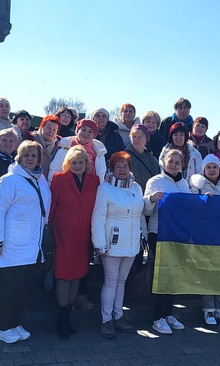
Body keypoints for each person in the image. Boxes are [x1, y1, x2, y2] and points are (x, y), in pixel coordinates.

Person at [0, 141, 52, 344]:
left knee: (23, 289)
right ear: (19, 157)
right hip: (11, 246)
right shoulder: (10, 180)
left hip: (33, 246)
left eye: (34, 155)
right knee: (8, 289)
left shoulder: (40, 179)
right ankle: (4, 327)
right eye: (26, 155)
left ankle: (15, 323)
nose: (30, 159)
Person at [91, 151, 147, 339]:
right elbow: (98, 218)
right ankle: (106, 320)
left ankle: (118, 315)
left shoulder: (136, 187)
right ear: (112, 169)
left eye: (125, 166)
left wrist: (143, 236)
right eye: (118, 166)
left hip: (131, 243)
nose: (122, 170)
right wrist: (99, 244)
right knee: (111, 281)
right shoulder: (105, 188)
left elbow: (140, 214)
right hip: (111, 244)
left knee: (121, 281)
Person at [49, 146, 100, 340]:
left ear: (87, 164)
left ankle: (68, 315)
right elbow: (52, 208)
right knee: (63, 276)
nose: (77, 165)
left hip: (83, 238)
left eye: (81, 162)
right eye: (74, 162)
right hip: (62, 236)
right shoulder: (59, 179)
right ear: (67, 163)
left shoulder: (94, 181)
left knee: (77, 275)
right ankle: (62, 319)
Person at [188, 155, 220, 327]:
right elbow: (191, 206)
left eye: (214, 167)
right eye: (208, 167)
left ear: (219, 169)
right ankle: (208, 310)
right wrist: (202, 200)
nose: (211, 170)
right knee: (207, 272)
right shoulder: (197, 186)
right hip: (205, 236)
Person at [144, 149, 190, 335]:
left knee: (173, 275)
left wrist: (205, 200)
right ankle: (158, 317)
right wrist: (152, 199)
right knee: (161, 274)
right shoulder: (155, 181)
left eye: (177, 162)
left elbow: (190, 207)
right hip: (159, 233)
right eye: (170, 161)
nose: (173, 165)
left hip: (177, 235)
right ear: (164, 162)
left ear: (182, 165)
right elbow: (146, 210)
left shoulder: (184, 184)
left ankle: (168, 313)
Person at [125, 124, 160, 191]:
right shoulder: (124, 157)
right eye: (134, 137)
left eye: (139, 137)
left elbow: (157, 178)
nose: (136, 139)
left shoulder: (152, 159)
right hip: (130, 193)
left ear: (146, 139)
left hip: (148, 194)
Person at [25, 115, 61, 179]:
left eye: (54, 130)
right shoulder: (30, 139)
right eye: (48, 128)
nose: (51, 131)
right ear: (41, 127)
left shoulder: (59, 146)